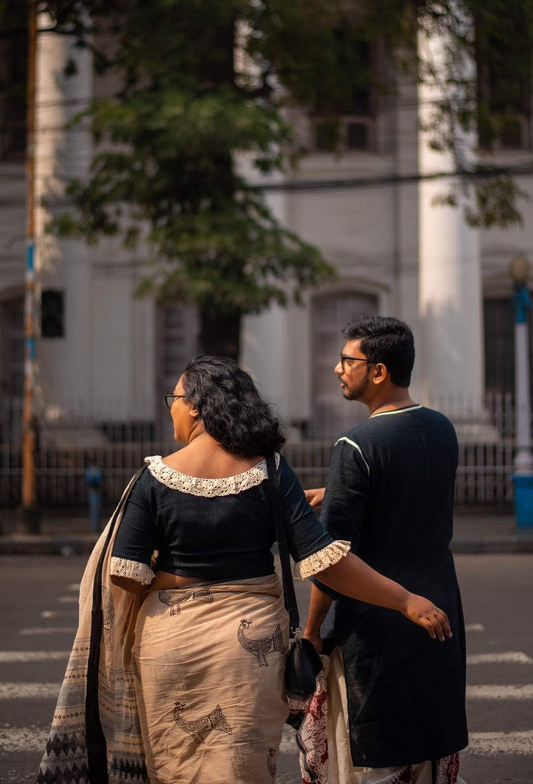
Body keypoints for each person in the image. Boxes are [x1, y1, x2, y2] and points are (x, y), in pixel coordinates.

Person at [38, 355, 452, 784]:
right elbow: (324, 559)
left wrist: (183, 578)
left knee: (176, 768)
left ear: (197, 405)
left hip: (170, 646)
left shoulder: (154, 478)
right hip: (249, 652)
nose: (171, 407)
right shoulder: (269, 469)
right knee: (242, 766)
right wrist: (404, 600)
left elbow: (125, 572)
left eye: (175, 398)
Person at [300, 316, 468, 784]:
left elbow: (331, 562)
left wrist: (312, 630)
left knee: (375, 759)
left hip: (374, 626)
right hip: (438, 611)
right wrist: (333, 490)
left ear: (378, 371)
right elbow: (404, 491)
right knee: (425, 747)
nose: (338, 369)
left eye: (346, 360)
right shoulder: (441, 429)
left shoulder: (356, 444)